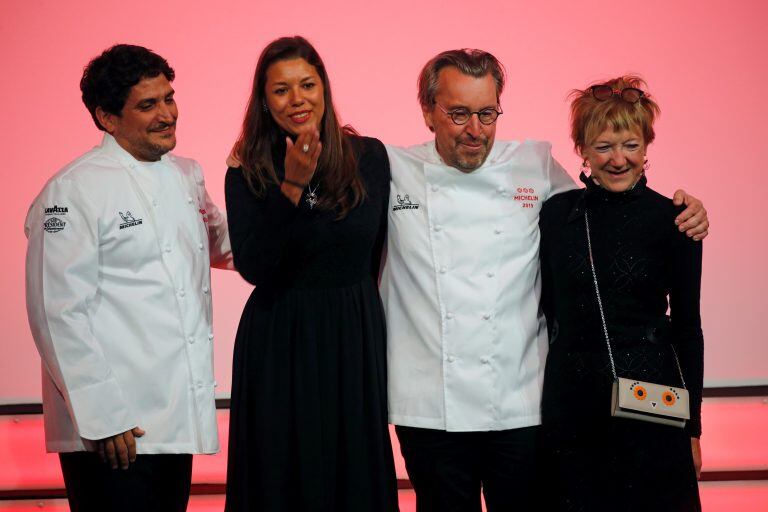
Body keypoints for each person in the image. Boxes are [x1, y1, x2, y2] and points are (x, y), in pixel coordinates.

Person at [380, 50, 709, 512]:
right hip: (468, 409)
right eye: (458, 113)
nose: (475, 128)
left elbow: (684, 322)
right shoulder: (391, 169)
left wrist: (692, 427)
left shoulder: (539, 170)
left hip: (551, 404)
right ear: (428, 113)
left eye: (487, 113)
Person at [24, 44, 231, 512]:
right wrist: (103, 416)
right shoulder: (72, 190)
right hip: (115, 431)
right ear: (106, 117)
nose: (167, 114)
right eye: (148, 105)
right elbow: (56, 312)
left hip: (174, 421)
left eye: (169, 98)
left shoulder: (186, 175)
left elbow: (224, 244)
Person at [223, 36, 398, 512]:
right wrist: (293, 184)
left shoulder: (369, 157)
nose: (297, 99)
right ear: (264, 99)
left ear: (324, 89)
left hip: (352, 332)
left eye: (307, 84)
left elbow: (378, 250)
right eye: (281, 90)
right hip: (281, 336)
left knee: (353, 475)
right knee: (283, 476)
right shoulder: (247, 168)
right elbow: (255, 265)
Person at [538, 76, 703, 511]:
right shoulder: (557, 215)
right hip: (573, 412)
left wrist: (693, 428)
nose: (618, 160)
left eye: (630, 144)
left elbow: (688, 328)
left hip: (654, 410)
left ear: (647, 146)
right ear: (583, 150)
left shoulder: (676, 220)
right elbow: (547, 310)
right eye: (604, 146)